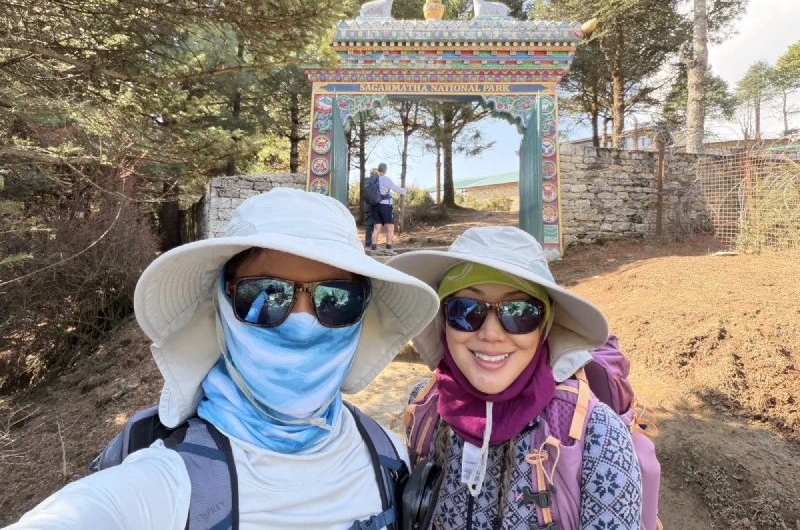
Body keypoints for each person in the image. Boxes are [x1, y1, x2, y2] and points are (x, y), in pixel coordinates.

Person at [7, 188, 441, 530]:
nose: (303, 322)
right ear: (223, 303)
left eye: (336, 299)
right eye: (267, 296)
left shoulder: (389, 455)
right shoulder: (169, 478)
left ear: (360, 313)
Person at [388, 226, 644, 530]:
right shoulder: (425, 406)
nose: (491, 334)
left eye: (519, 312)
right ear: (444, 322)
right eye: (466, 310)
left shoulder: (596, 436)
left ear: (544, 327)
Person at [371, 162, 406, 256]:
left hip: (375, 206)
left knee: (376, 228)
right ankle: (388, 249)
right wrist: (405, 190)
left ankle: (373, 249)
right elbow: (397, 189)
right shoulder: (386, 179)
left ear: (378, 169)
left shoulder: (374, 179)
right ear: (385, 170)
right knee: (390, 228)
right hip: (386, 206)